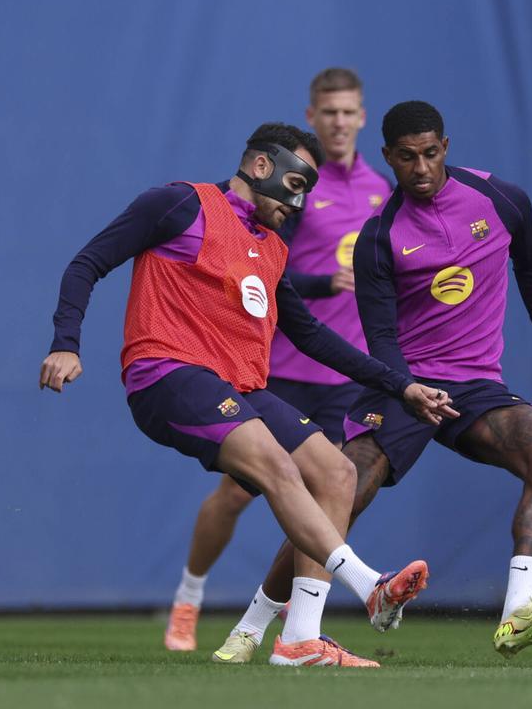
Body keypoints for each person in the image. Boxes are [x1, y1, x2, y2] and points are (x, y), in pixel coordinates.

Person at [40, 122, 457, 667]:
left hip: (241, 387)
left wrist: (400, 385)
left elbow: (310, 335)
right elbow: (86, 263)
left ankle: (300, 640)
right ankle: (368, 585)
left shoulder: (273, 248)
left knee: (336, 473)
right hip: (167, 373)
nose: (301, 198)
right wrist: (65, 343)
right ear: (261, 166)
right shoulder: (179, 204)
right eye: (297, 180)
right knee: (277, 468)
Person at [214, 101, 532, 662]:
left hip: (477, 387)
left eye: (431, 153)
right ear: (389, 158)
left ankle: (517, 613)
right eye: (407, 158)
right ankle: (251, 626)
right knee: (339, 497)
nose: (422, 168)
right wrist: (408, 389)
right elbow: (380, 340)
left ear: (445, 147)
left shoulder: (501, 200)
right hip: (402, 385)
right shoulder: (379, 238)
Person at [164, 68, 393, 652]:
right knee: (242, 491)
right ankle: (188, 601)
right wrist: (323, 282)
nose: (340, 122)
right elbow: (264, 272)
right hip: (278, 365)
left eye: (349, 112)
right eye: (330, 112)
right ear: (313, 117)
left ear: (362, 118)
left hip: (341, 373)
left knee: (334, 488)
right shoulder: (294, 187)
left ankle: (286, 632)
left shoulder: (379, 191)